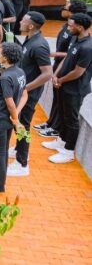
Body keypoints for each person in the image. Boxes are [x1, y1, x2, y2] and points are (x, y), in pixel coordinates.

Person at [7, 12, 53, 177]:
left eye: (24, 21)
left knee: (23, 125)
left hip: (28, 94)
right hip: (22, 90)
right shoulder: (30, 39)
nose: (20, 22)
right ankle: (18, 149)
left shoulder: (39, 45)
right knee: (17, 121)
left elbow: (47, 74)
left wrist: (26, 88)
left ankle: (22, 163)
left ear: (31, 25)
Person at [36, 0, 88, 138]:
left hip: (67, 69)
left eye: (66, 7)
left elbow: (72, 53)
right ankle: (51, 123)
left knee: (63, 103)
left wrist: (54, 54)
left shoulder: (76, 34)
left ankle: (56, 128)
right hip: (59, 66)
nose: (62, 9)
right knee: (56, 98)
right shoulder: (67, 26)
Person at [46, 13, 92, 164]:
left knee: (71, 119)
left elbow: (78, 72)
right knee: (63, 113)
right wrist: (55, 75)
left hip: (75, 89)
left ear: (80, 27)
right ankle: (62, 140)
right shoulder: (75, 39)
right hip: (63, 85)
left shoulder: (87, 47)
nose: (68, 28)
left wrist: (60, 80)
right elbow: (66, 58)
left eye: (71, 26)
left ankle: (68, 151)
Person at [0, 42, 26, 193]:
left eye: (0, 52)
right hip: (8, 119)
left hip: (0, 119)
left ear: (6, 57)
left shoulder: (6, 77)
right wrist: (15, 117)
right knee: (2, 151)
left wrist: (15, 119)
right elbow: (24, 95)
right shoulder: (20, 72)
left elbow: (10, 102)